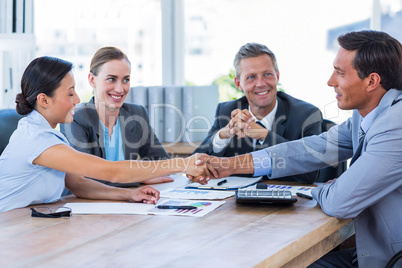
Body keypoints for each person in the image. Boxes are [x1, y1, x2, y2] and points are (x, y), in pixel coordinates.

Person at [193, 30, 402, 267]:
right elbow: (313, 149)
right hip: (371, 251)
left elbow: (339, 202)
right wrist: (230, 165)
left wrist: (320, 190)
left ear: (372, 81)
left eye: (340, 73)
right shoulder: (367, 116)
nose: (330, 81)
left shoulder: (396, 125)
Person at [0, 56, 215, 213]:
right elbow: (111, 172)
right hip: (10, 226)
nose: (76, 99)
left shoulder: (49, 135)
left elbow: (78, 184)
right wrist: (183, 163)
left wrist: (128, 194)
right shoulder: (37, 140)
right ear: (44, 100)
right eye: (70, 93)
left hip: (29, 222)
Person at [194, 42, 323, 183]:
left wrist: (264, 135)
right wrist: (222, 136)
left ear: (277, 76)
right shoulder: (226, 111)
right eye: (251, 77)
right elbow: (194, 164)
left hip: (285, 202)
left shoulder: (307, 115)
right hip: (234, 201)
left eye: (267, 74)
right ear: (238, 84)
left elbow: (311, 173)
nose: (261, 83)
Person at [61, 47, 171, 188]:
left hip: (127, 203)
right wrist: (139, 177)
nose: (120, 89)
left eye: (126, 80)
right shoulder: (75, 118)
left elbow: (161, 162)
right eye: (111, 79)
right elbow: (85, 176)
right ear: (92, 80)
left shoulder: (137, 113)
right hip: (84, 204)